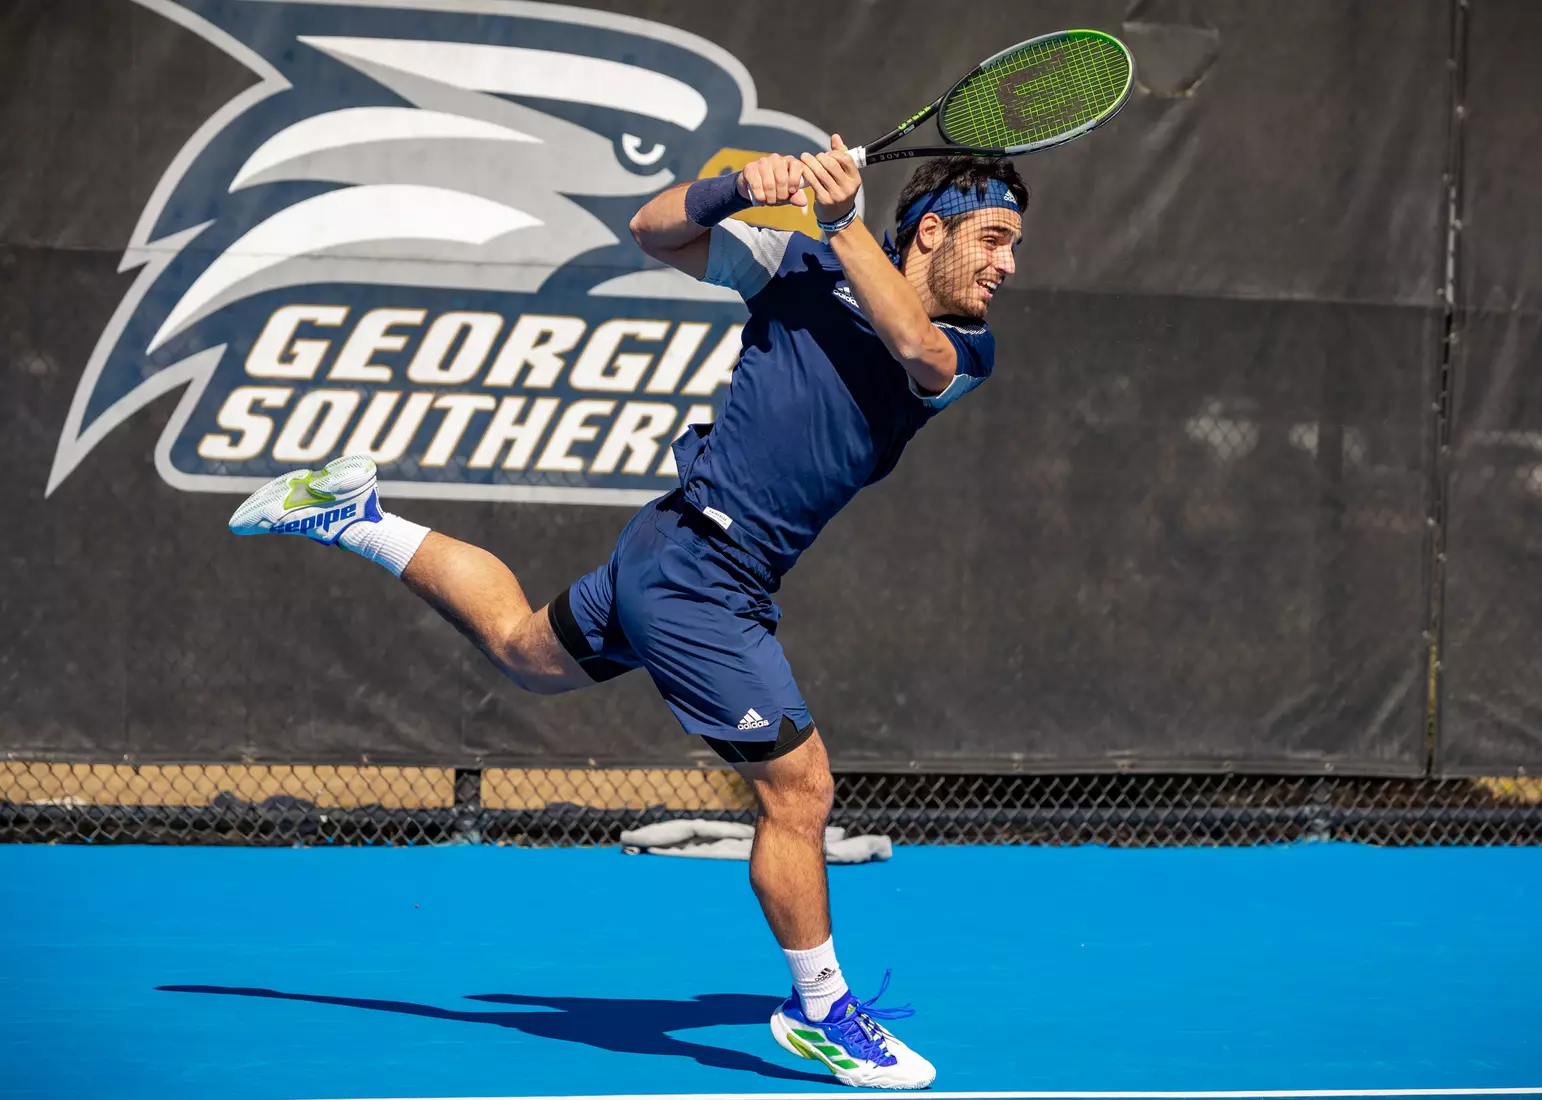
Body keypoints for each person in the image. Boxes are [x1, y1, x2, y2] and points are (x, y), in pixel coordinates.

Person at [229, 136, 1027, 1089]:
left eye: (1015, 246)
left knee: (525, 648)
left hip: (686, 560)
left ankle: (352, 514)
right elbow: (652, 231)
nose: (1007, 265)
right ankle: (822, 1012)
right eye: (993, 239)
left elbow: (913, 345)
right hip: (697, 569)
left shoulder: (963, 348)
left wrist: (839, 218)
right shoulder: (797, 262)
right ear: (930, 230)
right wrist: (739, 186)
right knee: (800, 791)